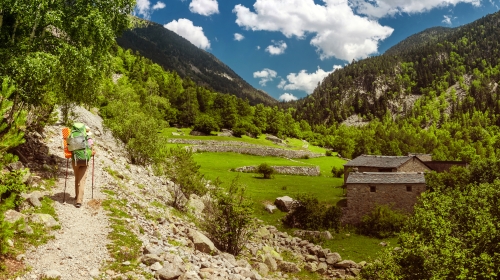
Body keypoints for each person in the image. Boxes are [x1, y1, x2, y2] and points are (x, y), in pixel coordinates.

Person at [72, 126, 95, 208]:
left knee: (77, 178)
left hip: (75, 161)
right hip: (84, 162)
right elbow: (92, 151)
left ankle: (76, 195)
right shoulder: (89, 139)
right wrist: (92, 153)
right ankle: (79, 201)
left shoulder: (74, 137)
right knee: (82, 181)